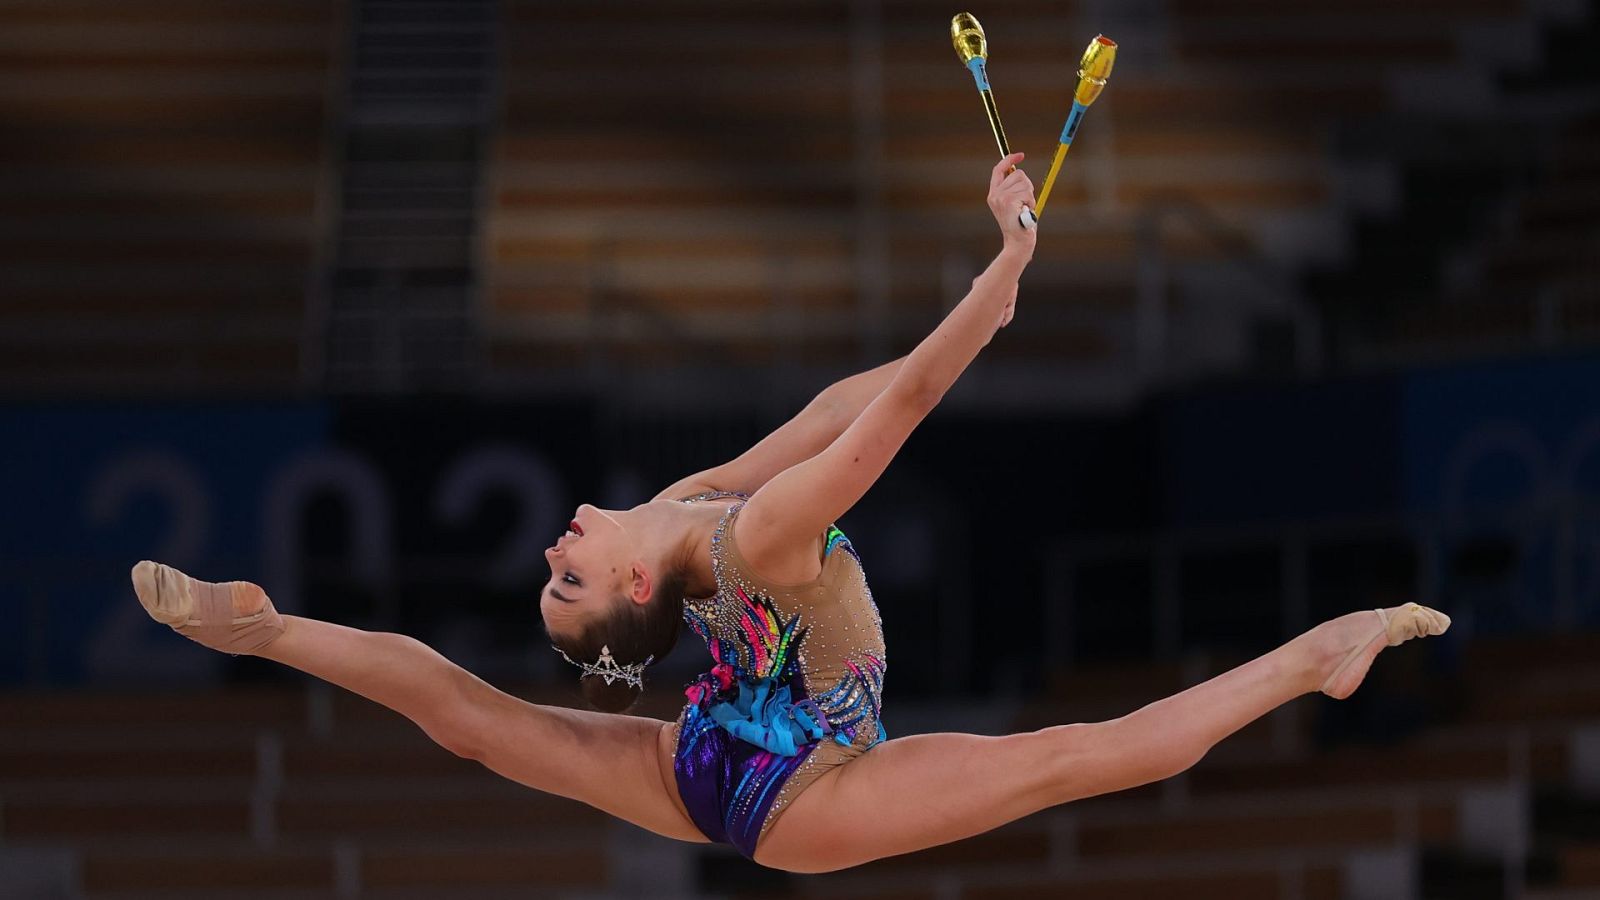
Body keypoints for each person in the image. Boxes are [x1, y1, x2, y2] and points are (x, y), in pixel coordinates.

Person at [131, 153, 1450, 873]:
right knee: (1067, 757)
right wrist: (1000, 280)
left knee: (482, 733)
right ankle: (269, 634)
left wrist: (994, 285)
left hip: (711, 754)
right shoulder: (749, 540)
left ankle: (1313, 657)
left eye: (556, 572)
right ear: (639, 594)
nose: (557, 548)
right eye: (569, 579)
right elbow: (885, 426)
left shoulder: (693, 512)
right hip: (811, 782)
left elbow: (836, 408)